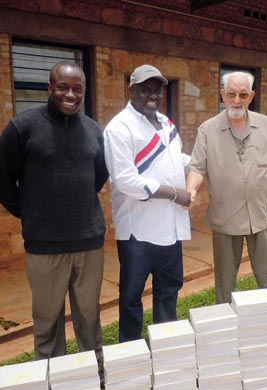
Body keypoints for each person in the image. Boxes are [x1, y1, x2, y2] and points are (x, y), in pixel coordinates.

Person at [0, 61, 108, 360]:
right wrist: (30, 212)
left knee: (89, 315)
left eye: (77, 89)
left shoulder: (93, 130)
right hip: (44, 246)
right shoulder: (23, 126)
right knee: (47, 320)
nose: (70, 94)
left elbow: (100, 174)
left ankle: (94, 371)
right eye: (63, 87)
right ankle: (51, 376)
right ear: (49, 88)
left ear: (84, 91)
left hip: (88, 242)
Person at [103, 64, 191, 342]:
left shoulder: (166, 123)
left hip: (170, 227)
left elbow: (180, 160)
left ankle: (166, 348)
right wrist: (175, 193)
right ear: (131, 90)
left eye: (157, 89)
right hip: (137, 232)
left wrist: (204, 165)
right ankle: (130, 354)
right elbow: (125, 180)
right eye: (145, 89)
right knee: (131, 297)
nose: (152, 94)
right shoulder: (119, 128)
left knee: (169, 289)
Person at [187, 70, 267, 304]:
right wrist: (190, 190)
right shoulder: (208, 130)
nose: (237, 100)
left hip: (262, 215)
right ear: (223, 95)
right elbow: (197, 168)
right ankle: (227, 322)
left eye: (242, 94)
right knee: (225, 281)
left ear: (251, 96)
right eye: (231, 94)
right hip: (225, 216)